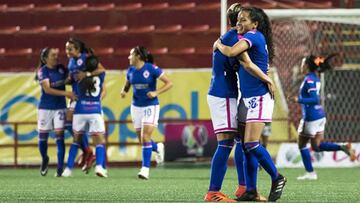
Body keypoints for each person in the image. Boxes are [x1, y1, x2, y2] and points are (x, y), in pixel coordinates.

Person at [215, 7, 286, 201]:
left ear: (254, 24)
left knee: (252, 143)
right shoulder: (249, 37)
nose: (239, 23)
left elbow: (230, 52)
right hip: (246, 99)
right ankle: (251, 190)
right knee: (244, 145)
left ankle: (277, 177)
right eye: (238, 19)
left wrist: (218, 44)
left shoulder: (253, 36)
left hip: (259, 98)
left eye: (244, 20)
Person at [204, 3, 271, 202]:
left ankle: (244, 187)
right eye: (241, 17)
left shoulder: (231, 37)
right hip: (222, 93)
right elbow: (247, 65)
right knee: (225, 143)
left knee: (241, 142)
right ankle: (213, 192)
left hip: (229, 92)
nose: (243, 21)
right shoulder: (235, 38)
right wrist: (267, 79)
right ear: (239, 21)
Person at [291, 54, 356, 180]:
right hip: (320, 115)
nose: (301, 65)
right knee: (316, 146)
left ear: (307, 66)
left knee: (302, 144)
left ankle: (310, 173)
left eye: (303, 63)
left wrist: (298, 99)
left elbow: (315, 99)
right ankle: (341, 146)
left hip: (311, 117)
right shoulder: (315, 78)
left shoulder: (309, 79)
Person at [120, 46, 172, 180]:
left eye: (131, 55)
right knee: (142, 140)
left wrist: (156, 92)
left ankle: (145, 169)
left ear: (138, 56)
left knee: (145, 137)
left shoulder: (151, 69)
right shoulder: (130, 70)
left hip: (151, 106)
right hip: (136, 107)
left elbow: (169, 83)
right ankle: (158, 147)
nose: (128, 57)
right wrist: (124, 91)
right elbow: (127, 84)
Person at [64, 38, 106, 173]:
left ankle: (94, 158)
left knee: (83, 133)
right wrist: (69, 80)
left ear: (77, 49)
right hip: (76, 97)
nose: (67, 52)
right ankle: (88, 151)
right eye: (66, 49)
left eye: (70, 49)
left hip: (83, 99)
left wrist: (87, 74)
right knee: (68, 124)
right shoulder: (71, 62)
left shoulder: (87, 59)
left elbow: (101, 70)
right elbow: (75, 78)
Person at [36, 47, 76, 177]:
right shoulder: (43, 71)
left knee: (60, 138)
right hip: (45, 108)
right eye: (53, 55)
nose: (56, 57)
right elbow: (47, 89)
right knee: (43, 139)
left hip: (60, 107)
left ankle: (59, 169)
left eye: (56, 55)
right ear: (45, 58)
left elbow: (70, 80)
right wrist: (66, 93)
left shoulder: (62, 69)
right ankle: (45, 158)